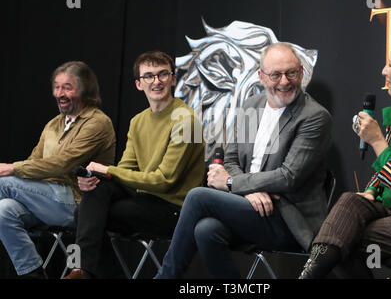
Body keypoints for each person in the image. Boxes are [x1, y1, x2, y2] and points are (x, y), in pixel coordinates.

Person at [154, 42, 332, 278]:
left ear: (301, 71)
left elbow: (288, 177)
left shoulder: (314, 117)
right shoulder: (252, 106)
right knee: (206, 230)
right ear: (260, 76)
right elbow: (231, 160)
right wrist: (247, 191)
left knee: (198, 197)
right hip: (251, 208)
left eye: (291, 72)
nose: (285, 81)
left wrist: (231, 184)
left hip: (288, 219)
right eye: (275, 75)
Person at [298, 37, 391, 279]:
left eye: (390, 65)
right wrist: (371, 190)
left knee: (344, 236)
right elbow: (385, 171)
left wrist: (377, 140)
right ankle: (308, 274)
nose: (383, 71)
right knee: (350, 200)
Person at [64, 50, 205, 279]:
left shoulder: (186, 120)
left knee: (86, 215)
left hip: (174, 209)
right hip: (145, 199)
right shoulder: (138, 121)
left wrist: (106, 170)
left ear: (173, 79)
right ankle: (81, 269)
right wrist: (95, 176)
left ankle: (82, 270)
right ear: (139, 84)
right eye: (148, 76)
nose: (156, 81)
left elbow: (164, 181)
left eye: (162, 74)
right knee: (94, 194)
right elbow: (126, 170)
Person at [0, 61, 116, 278]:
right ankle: (32, 274)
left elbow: (63, 163)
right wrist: (20, 171)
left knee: (3, 182)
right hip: (43, 199)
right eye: (56, 86)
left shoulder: (98, 123)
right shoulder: (53, 124)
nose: (59, 93)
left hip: (77, 203)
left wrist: (11, 168)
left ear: (85, 89)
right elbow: (34, 162)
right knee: (3, 210)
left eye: (67, 87)